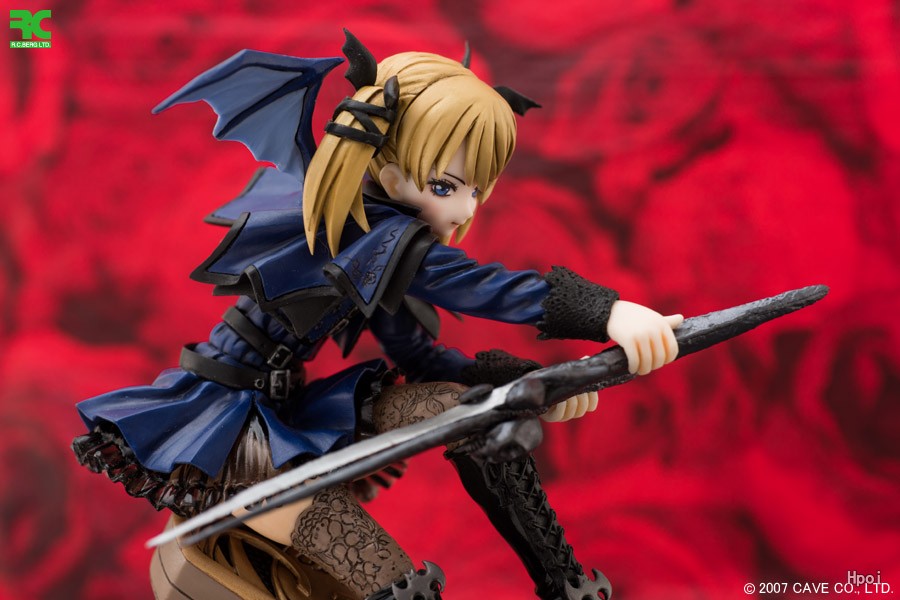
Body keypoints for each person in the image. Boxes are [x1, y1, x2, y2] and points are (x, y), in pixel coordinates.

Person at [73, 32, 681, 600]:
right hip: (230, 436)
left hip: (289, 410)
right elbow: (482, 289)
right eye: (447, 187)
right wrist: (608, 312)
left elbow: (416, 356)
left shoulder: (378, 249)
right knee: (387, 576)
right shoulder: (366, 233)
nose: (465, 209)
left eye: (476, 190)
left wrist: (522, 388)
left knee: (472, 413)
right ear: (389, 174)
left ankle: (565, 584)